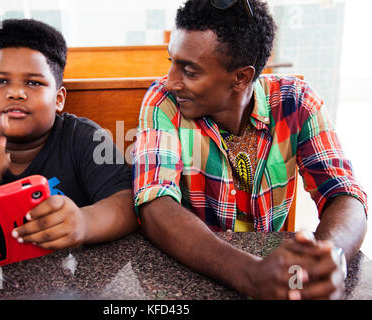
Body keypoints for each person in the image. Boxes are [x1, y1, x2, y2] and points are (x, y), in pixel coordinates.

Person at [132, 0, 368, 299]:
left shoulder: (297, 103)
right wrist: (250, 274)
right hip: (190, 275)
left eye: (189, 71)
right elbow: (155, 204)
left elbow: (345, 194)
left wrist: (325, 261)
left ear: (241, 77)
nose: (170, 81)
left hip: (275, 273)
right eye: (172, 61)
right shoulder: (164, 103)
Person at [0, 19, 138, 249]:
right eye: (1, 81)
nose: (16, 92)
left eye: (34, 83)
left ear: (58, 99)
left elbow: (125, 203)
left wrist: (84, 222)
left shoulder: (86, 139)